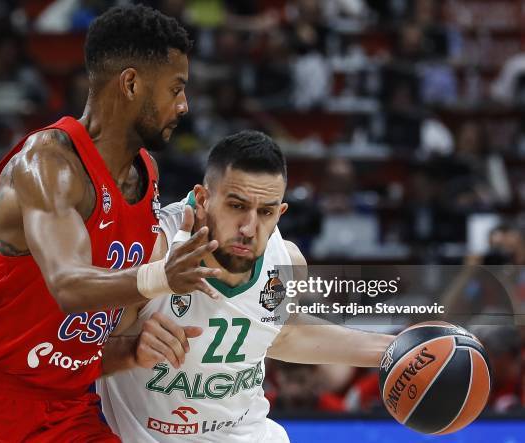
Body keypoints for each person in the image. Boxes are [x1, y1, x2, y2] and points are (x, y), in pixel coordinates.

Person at [0, 5, 221, 442]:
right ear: (131, 83)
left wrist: (135, 345)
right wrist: (162, 276)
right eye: (176, 89)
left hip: (68, 406)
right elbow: (68, 287)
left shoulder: (146, 174)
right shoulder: (47, 166)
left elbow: (95, 332)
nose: (184, 105)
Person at [97, 131, 395, 442]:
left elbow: (281, 334)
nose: (249, 228)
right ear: (202, 199)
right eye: (237, 206)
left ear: (280, 213)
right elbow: (75, 358)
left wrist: (394, 350)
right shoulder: (150, 248)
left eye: (266, 212)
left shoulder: (286, 262)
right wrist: (128, 349)